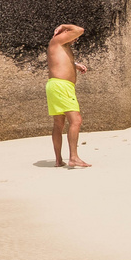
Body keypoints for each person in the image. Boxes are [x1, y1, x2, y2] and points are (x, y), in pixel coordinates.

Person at [46, 24, 90, 168]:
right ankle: (74, 158)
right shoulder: (57, 39)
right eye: (74, 37)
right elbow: (80, 30)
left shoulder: (60, 46)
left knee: (58, 124)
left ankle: (59, 160)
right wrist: (63, 26)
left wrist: (74, 65)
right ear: (65, 32)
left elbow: (58, 61)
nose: (75, 39)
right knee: (76, 121)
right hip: (62, 87)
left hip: (56, 85)